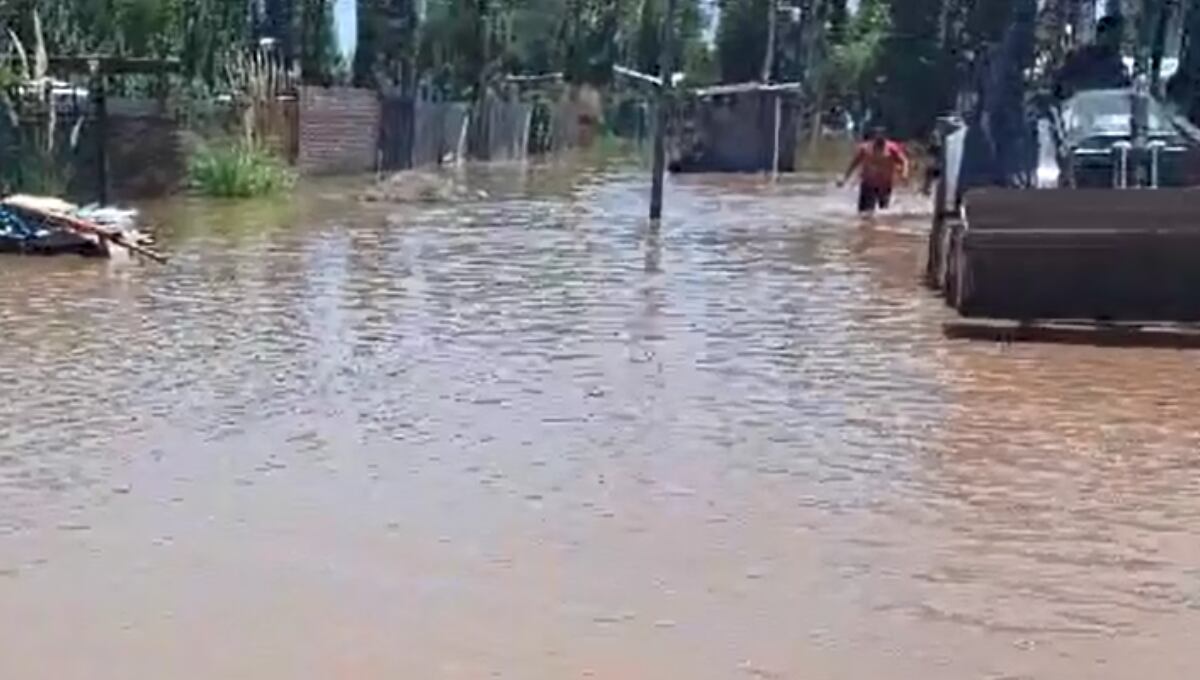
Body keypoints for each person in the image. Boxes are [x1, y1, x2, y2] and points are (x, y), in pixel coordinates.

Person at [1054, 15, 1130, 100]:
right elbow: (1058, 86)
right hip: (1081, 110)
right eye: (1114, 36)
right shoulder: (1080, 58)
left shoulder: (1119, 66)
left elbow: (1125, 93)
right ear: (1100, 34)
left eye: (1119, 38)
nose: (1117, 41)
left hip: (1109, 111)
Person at [838, 128, 910, 215]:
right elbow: (854, 164)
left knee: (884, 212)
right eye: (877, 137)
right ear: (874, 139)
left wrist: (904, 174)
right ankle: (866, 227)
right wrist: (844, 179)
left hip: (884, 185)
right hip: (868, 185)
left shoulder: (892, 148)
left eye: (882, 138)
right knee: (864, 213)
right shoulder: (865, 148)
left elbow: (904, 161)